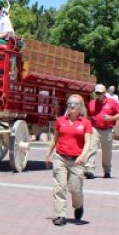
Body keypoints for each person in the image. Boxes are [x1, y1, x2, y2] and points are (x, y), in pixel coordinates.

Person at [45, 94, 92, 226]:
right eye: (70, 103)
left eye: (75, 104)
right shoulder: (60, 121)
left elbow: (88, 143)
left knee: (75, 189)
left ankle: (78, 205)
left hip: (76, 160)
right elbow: (55, 139)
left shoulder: (85, 123)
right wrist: (48, 155)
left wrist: (82, 156)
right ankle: (60, 215)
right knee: (60, 186)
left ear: (80, 107)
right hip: (60, 157)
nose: (72, 106)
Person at [84, 84, 119, 179]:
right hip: (95, 128)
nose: (98, 94)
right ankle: (89, 170)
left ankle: (107, 171)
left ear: (104, 93)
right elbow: (88, 116)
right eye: (97, 93)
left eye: (100, 93)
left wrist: (111, 118)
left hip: (107, 130)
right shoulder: (92, 103)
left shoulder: (112, 102)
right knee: (91, 148)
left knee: (107, 152)